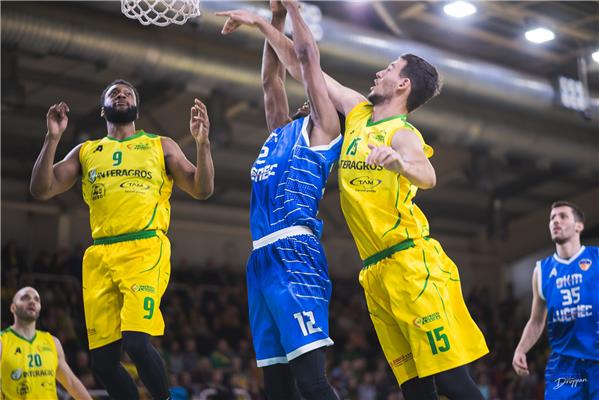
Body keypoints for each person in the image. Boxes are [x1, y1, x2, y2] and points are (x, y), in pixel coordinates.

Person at [217, 5, 488, 399]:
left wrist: (400, 163)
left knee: (450, 380)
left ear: (403, 85)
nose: (379, 72)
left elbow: (427, 175)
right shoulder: (358, 113)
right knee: (414, 387)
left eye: (390, 68)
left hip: (413, 264)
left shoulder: (401, 133)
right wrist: (265, 22)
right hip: (375, 271)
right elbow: (300, 66)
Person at [29, 80, 215, 400]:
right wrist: (52, 138)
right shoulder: (86, 152)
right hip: (100, 256)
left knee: (137, 343)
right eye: (113, 93)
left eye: (127, 93)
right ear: (103, 110)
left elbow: (202, 189)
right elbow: (41, 189)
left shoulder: (161, 145)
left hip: (144, 248)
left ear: (136, 109)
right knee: (102, 363)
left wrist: (203, 144)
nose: (121, 95)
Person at [219, 1, 341, 399]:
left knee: (311, 380)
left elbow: (305, 60)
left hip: (295, 253)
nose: (306, 97)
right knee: (276, 386)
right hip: (261, 259)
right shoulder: (280, 133)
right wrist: (275, 18)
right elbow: (270, 81)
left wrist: (277, 13)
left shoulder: (324, 130)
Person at [513, 201, 598, 399]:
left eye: (563, 216)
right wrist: (520, 349)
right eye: (552, 218)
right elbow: (536, 321)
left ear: (579, 226)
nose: (555, 221)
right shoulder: (541, 271)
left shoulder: (597, 258)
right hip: (564, 368)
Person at [1, 286, 92, 399]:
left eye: (36, 299)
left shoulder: (52, 342)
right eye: (25, 298)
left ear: (39, 308)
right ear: (13, 308)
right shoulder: (2, 342)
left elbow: (71, 383)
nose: (32, 301)